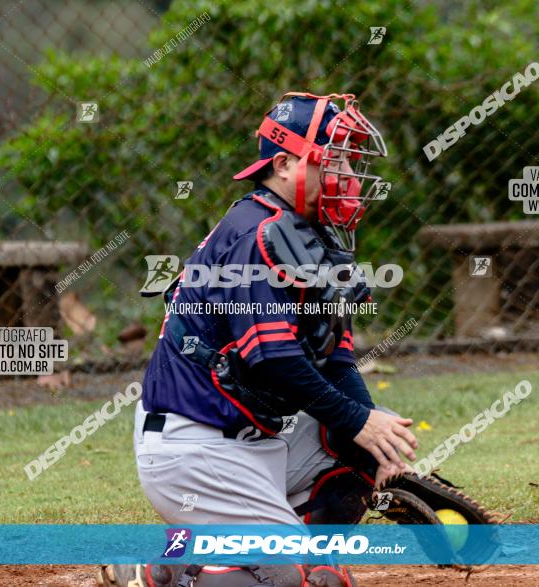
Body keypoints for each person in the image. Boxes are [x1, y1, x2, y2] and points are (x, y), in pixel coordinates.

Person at [101, 93, 415, 587]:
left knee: (351, 445)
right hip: (196, 448)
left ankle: (183, 555)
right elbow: (272, 359)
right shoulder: (256, 233)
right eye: (333, 161)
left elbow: (336, 360)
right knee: (290, 578)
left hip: (254, 441)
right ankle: (174, 567)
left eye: (350, 162)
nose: (349, 177)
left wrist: (372, 438)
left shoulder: (314, 237)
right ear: (286, 163)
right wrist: (359, 420)